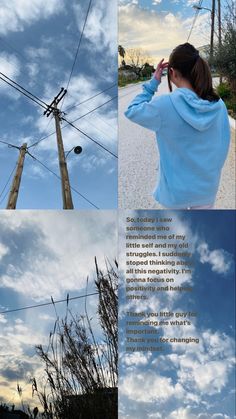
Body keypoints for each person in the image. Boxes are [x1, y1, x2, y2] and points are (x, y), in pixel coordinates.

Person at [124, 43, 230, 209]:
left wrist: (153, 84)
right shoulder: (218, 105)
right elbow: (223, 146)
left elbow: (132, 111)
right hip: (206, 192)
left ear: (171, 72)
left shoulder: (164, 105)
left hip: (175, 195)